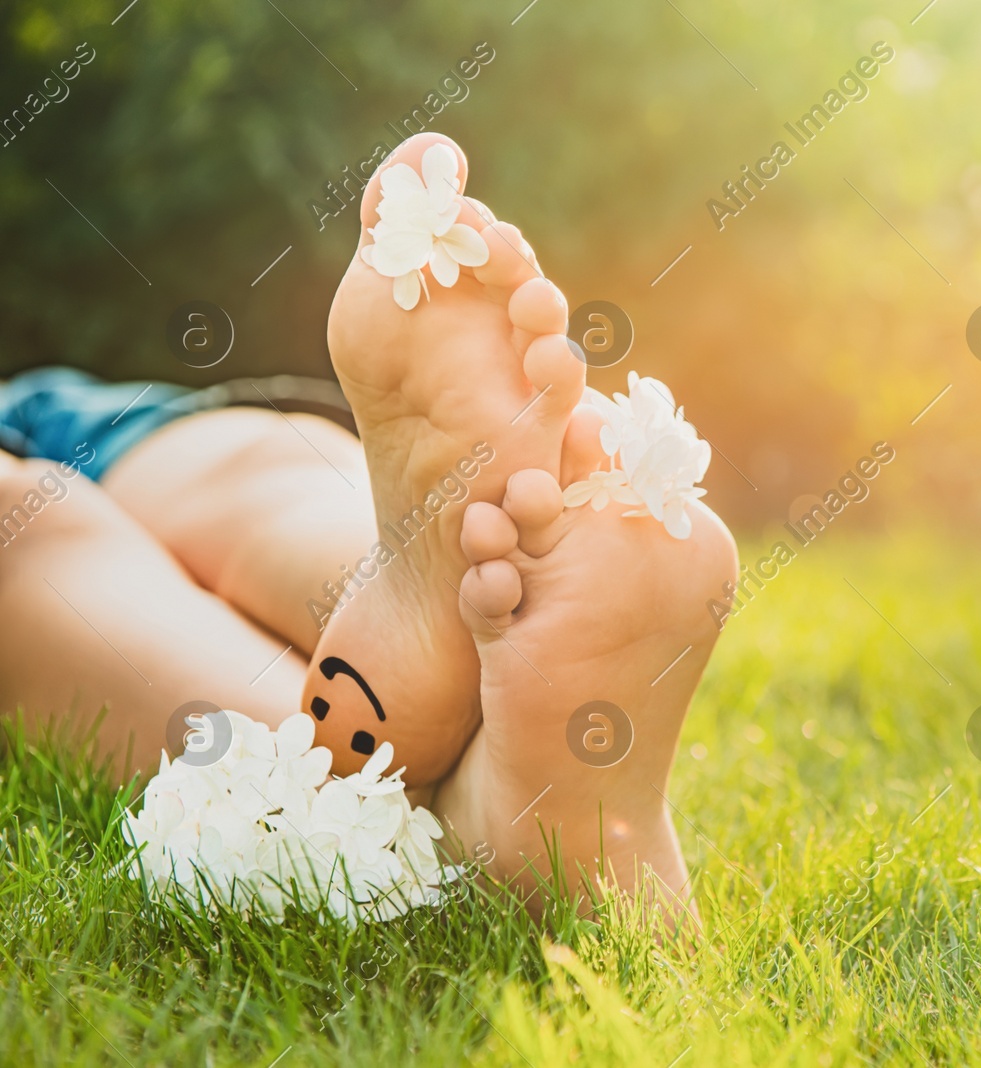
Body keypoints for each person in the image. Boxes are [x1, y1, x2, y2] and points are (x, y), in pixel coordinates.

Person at [0, 133, 738, 919]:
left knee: (47, 534)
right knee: (256, 476)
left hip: (60, 409)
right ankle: (449, 754)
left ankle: (413, 788)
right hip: (88, 412)